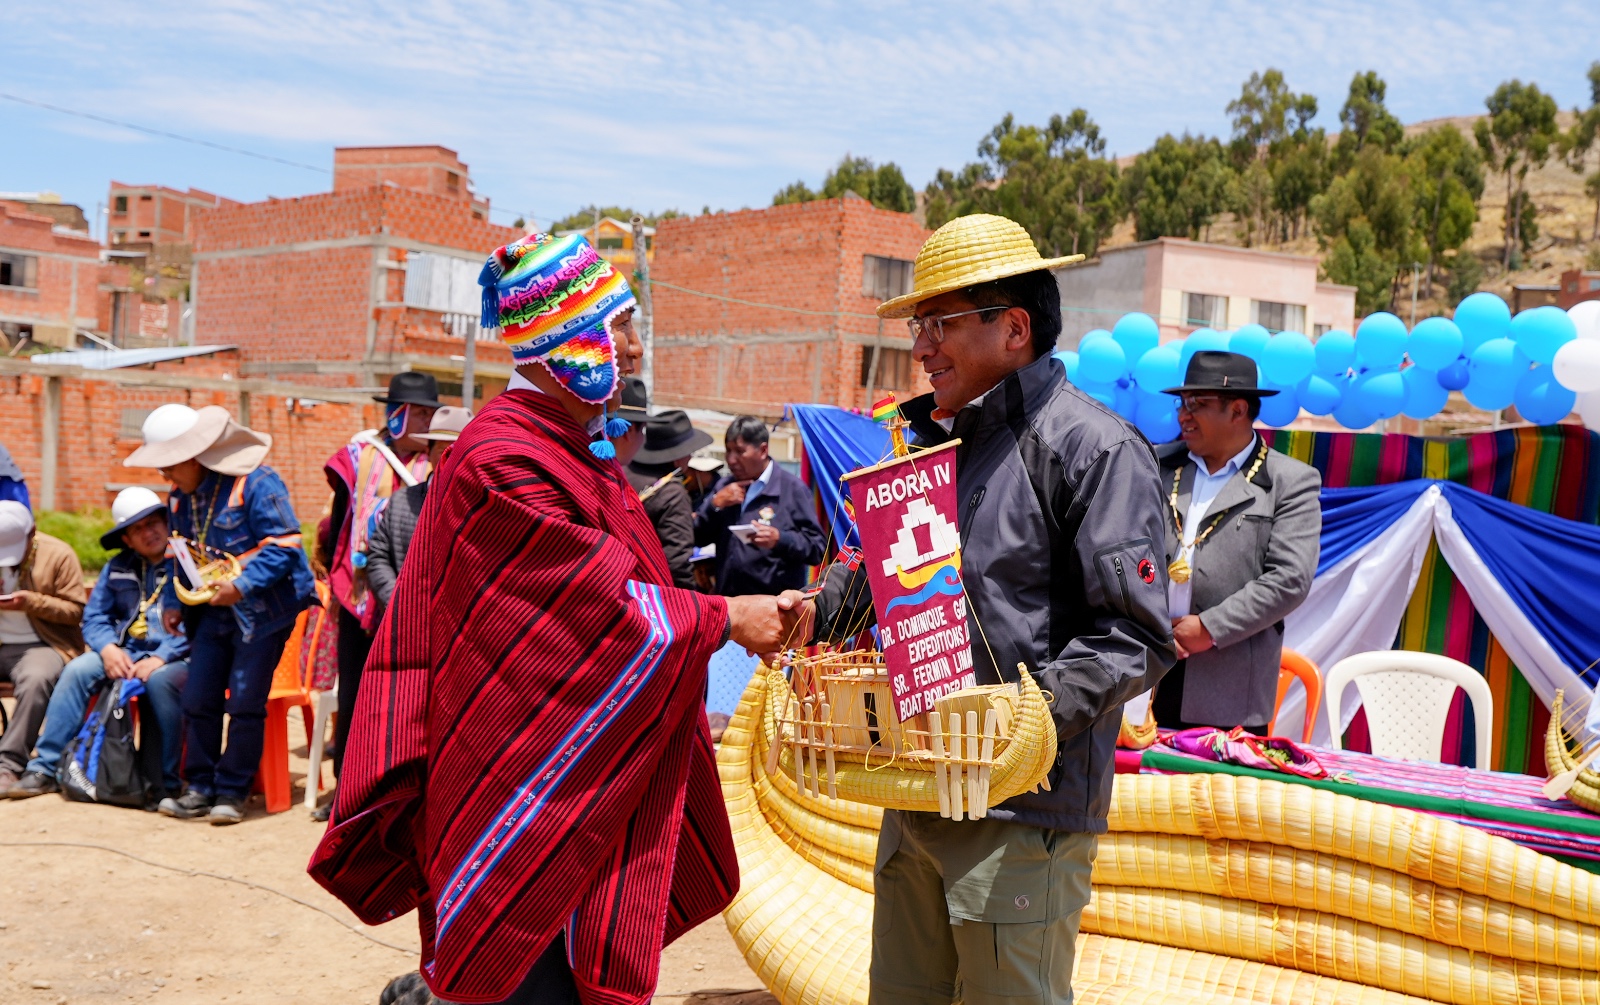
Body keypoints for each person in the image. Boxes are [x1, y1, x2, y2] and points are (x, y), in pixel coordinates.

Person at [310, 230, 801, 1005]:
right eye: (622, 327)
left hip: (564, 769)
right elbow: (596, 609)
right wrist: (726, 617)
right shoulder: (505, 457)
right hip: (521, 790)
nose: (635, 350)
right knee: (528, 980)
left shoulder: (567, 449)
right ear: (572, 336)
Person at [785, 214, 1175, 1005]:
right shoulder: (931, 450)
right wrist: (814, 609)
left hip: (1022, 813)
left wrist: (1024, 715)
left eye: (940, 324)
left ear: (1015, 328)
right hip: (916, 797)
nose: (922, 348)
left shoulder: (1094, 451)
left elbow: (1136, 633)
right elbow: (880, 582)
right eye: (920, 326)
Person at [124, 403, 315, 824]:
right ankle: (200, 788)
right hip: (211, 612)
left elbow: (285, 547)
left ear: (192, 457)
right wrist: (174, 602)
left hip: (264, 613)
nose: (165, 476)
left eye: (169, 466)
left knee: (246, 702)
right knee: (199, 698)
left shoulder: (257, 481)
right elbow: (181, 551)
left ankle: (232, 791)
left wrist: (241, 587)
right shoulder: (179, 499)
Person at [1151, 350, 1321, 733]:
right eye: (1182, 403)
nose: (1183, 414)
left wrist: (1208, 628)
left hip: (1226, 688)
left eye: (1198, 404)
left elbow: (1289, 579)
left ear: (1238, 410)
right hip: (1145, 672)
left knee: (1210, 795)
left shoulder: (1288, 482)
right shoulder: (1154, 465)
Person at [8, 488, 190, 801]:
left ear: (167, 522)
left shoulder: (188, 564)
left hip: (175, 656)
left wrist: (162, 656)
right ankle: (45, 768)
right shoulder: (117, 567)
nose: (149, 532)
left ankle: (164, 781)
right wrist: (107, 649)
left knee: (160, 681)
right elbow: (94, 618)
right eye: (137, 529)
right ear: (126, 540)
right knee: (78, 670)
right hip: (124, 651)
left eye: (153, 523)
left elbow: (201, 623)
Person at [319, 371, 441, 781]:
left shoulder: (439, 464)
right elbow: (340, 523)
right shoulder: (359, 457)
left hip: (419, 603)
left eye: (431, 413)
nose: (426, 422)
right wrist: (339, 583)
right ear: (396, 415)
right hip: (359, 595)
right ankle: (344, 787)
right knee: (353, 692)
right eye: (418, 413)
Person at [0, 501, 86, 794]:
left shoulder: (58, 554)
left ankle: (8, 764)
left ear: (31, 533)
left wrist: (31, 602)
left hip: (45, 644)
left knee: (36, 679)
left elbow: (76, 610)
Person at [695, 416, 825, 596]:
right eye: (728, 451)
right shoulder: (724, 488)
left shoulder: (792, 489)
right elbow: (696, 537)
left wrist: (780, 539)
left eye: (739, 451)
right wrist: (714, 505)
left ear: (763, 450)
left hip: (772, 610)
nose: (731, 460)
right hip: (728, 606)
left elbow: (817, 548)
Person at [365, 405, 472, 614]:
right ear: (428, 452)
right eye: (444, 452)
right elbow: (378, 556)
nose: (453, 460)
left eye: (461, 452)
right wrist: (398, 604)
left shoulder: (482, 507)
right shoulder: (402, 502)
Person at [625, 410, 711, 590]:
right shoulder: (672, 493)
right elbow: (677, 562)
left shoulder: (623, 474)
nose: (690, 458)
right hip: (648, 592)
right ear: (679, 458)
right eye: (689, 453)